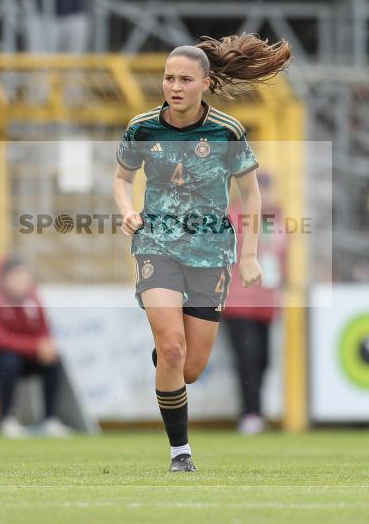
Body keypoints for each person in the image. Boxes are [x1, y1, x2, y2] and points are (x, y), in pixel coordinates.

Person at [113, 33, 291, 472]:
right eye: (169, 78)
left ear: (206, 84)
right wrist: (127, 210)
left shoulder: (227, 131)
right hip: (156, 245)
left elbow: (251, 197)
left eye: (185, 79)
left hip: (211, 254)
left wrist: (248, 256)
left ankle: (167, 355)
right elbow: (120, 178)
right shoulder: (142, 127)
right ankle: (181, 453)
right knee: (172, 348)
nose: (175, 87)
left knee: (188, 368)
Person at [0, 257, 71, 438]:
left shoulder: (32, 300)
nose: (23, 283)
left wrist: (45, 347)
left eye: (26, 278)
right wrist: (34, 347)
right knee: (9, 361)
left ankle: (50, 420)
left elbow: (43, 330)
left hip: (22, 357)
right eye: (17, 278)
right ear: (4, 279)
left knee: (53, 361)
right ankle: (6, 420)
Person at [222, 172, 286, 435]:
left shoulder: (278, 221)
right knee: (247, 359)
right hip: (238, 302)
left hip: (265, 305)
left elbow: (282, 262)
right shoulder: (235, 217)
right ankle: (250, 414)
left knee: (263, 361)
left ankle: (256, 412)